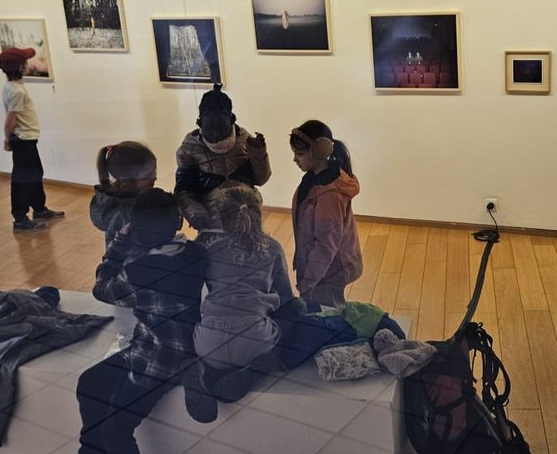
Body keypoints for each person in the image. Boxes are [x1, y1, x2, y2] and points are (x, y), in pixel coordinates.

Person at [77, 189, 209, 453]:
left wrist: (119, 244)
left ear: (134, 227)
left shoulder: (140, 271)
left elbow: (102, 289)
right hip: (174, 346)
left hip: (157, 358)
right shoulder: (195, 252)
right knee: (90, 382)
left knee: (116, 430)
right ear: (177, 223)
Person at [188, 186, 292, 415]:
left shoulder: (207, 249)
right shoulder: (272, 247)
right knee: (283, 334)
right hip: (255, 340)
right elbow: (286, 298)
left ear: (220, 217)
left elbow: (195, 295)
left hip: (208, 341)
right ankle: (255, 370)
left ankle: (201, 372)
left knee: (210, 347)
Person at [175, 83, 270, 233]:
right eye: (209, 128)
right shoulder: (190, 149)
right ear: (199, 124)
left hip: (246, 214)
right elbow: (185, 191)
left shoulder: (245, 140)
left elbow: (261, 179)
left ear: (232, 120)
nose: (215, 134)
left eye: (221, 128)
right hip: (212, 219)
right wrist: (197, 215)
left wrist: (258, 153)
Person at [289, 120, 363, 307]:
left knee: (329, 317)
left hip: (329, 272)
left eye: (300, 154)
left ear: (319, 152)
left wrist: (308, 282)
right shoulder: (315, 179)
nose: (295, 159)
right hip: (322, 270)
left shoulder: (329, 194)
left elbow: (326, 245)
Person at [0, 47, 64, 232]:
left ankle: (39, 209)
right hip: (22, 140)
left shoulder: (13, 87)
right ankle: (20, 219)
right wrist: (7, 139)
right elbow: (10, 120)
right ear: (20, 67)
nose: (28, 64)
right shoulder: (17, 92)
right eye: (25, 63)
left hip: (27, 139)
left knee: (35, 173)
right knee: (23, 179)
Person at [90, 141, 158, 246]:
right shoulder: (128, 211)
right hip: (132, 260)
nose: (155, 177)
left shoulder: (113, 200)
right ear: (126, 180)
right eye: (147, 176)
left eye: (154, 171)